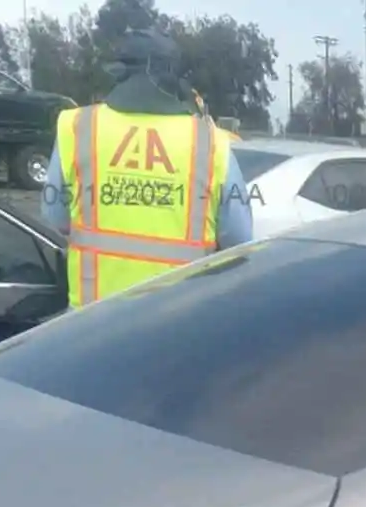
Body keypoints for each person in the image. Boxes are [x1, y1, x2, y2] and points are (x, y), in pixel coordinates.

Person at [43, 29, 254, 307]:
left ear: (119, 73)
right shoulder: (210, 140)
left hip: (88, 329)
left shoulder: (77, 126)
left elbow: (54, 216)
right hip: (173, 326)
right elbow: (239, 238)